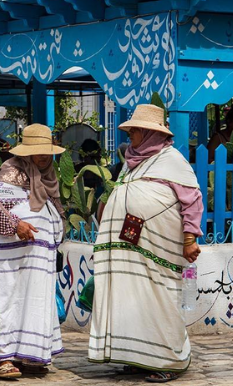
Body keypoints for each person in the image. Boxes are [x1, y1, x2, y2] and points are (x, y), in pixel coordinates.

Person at [88, 104, 203, 383]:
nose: (131, 137)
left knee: (159, 299)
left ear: (150, 133)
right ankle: (139, 357)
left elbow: (192, 201)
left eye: (135, 131)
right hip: (130, 250)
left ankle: (168, 360)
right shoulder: (132, 162)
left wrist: (190, 239)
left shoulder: (172, 160)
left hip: (159, 250)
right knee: (132, 300)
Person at [0, 124, 66, 380]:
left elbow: (55, 211)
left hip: (37, 261)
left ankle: (29, 355)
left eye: (46, 151)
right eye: (37, 151)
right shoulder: (11, 173)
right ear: (26, 152)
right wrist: (16, 225)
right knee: (9, 303)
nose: (42, 156)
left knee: (34, 304)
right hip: (9, 261)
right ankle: (4, 358)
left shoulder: (48, 178)